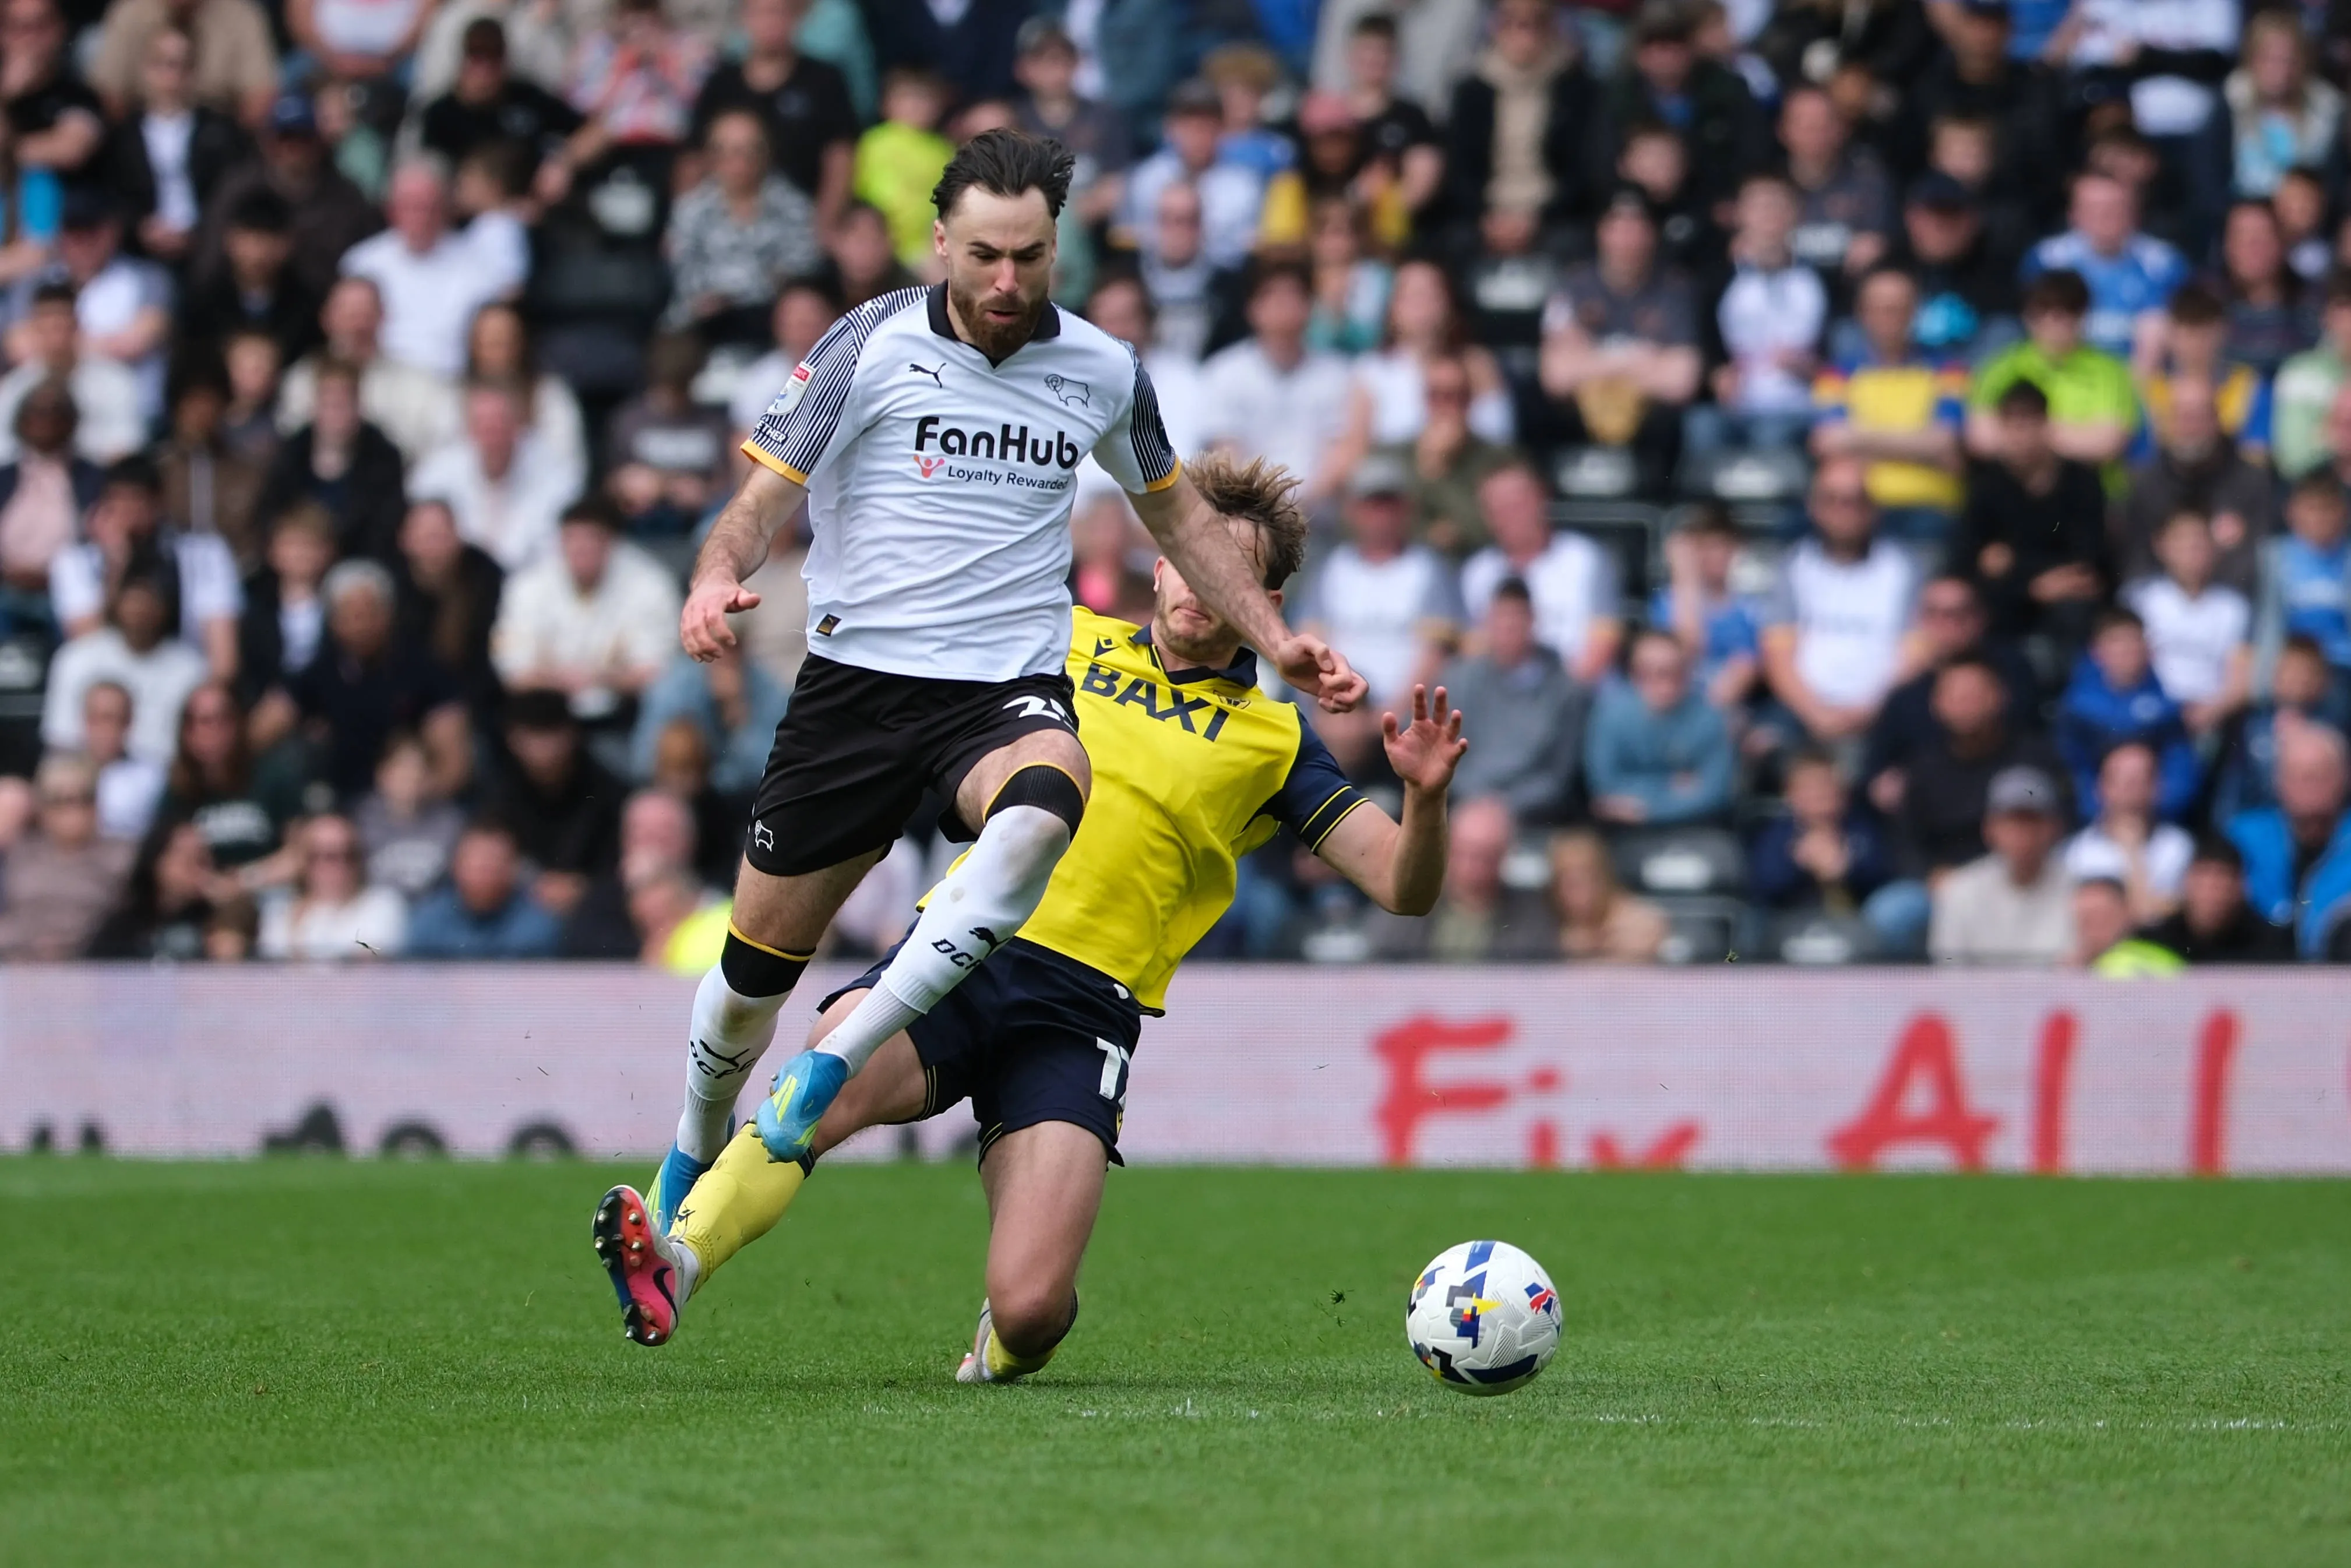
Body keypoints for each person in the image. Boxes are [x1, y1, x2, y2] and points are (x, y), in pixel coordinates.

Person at [632, 130, 1359, 1242]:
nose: (1008, 281)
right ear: (940, 244)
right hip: (857, 691)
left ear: (1057, 247)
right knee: (747, 984)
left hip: (999, 687)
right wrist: (712, 576)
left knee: (1047, 799)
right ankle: (691, 1144)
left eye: (1029, 256)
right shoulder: (868, 343)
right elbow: (759, 500)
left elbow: (1180, 520)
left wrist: (1277, 636)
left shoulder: (1104, 370)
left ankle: (840, 1054)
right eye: (985, 256)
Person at [598, 453, 1444, 1363]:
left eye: (1232, 575)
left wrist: (1426, 797)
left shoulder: (1275, 739)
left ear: (1265, 601)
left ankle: (1001, 1339)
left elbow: (1401, 885)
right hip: (959, 955)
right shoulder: (1060, 636)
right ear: (1162, 563)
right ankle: (678, 1262)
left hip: (1079, 1011)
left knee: (1031, 1308)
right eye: (1194, 561)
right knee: (814, 1086)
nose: (1202, 587)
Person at [1537, 186, 1701, 490]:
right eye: (1618, 227)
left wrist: (1592, 358)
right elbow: (1556, 376)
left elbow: (1682, 381)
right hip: (1582, 413)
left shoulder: (1675, 288)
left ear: (1652, 235)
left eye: (1637, 228)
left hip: (1650, 421)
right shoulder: (1573, 285)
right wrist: (1639, 358)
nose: (1627, 239)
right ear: (1602, 232)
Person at [273, 558, 469, 803]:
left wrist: (418, 795)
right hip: (338, 801)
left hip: (408, 803)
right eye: (350, 614)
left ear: (389, 613)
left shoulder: (426, 672)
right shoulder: (318, 672)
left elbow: (454, 766)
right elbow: (268, 723)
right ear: (333, 621)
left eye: (368, 613)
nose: (360, 624)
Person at [1760, 456, 1916, 747]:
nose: (1844, 511)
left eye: (1855, 500)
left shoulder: (1904, 568)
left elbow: (1916, 654)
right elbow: (1778, 654)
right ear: (1814, 507)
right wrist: (1816, 714)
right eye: (1832, 500)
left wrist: (1872, 711)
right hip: (1803, 715)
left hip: (1885, 715)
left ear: (1873, 508)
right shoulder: (1793, 566)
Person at [1810, 266, 1968, 537]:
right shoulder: (1836, 374)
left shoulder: (1950, 371)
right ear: (1862, 312)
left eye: (1899, 308)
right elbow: (1827, 441)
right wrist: (1921, 444)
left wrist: (1857, 437)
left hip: (1932, 506)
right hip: (1859, 509)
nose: (1890, 318)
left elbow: (1945, 441)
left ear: (1915, 311)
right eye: (1881, 308)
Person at [490, 495, 681, 716]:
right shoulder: (528, 585)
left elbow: (658, 671)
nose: (581, 549)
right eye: (572, 539)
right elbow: (514, 670)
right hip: (544, 709)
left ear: (613, 542)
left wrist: (599, 679)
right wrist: (562, 681)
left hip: (629, 709)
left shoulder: (652, 585)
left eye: (592, 539)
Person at [1295, 455, 1460, 709]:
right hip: (1338, 706)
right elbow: (1311, 643)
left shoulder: (1430, 569)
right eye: (1372, 506)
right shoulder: (1330, 569)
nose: (1381, 516)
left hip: (1408, 711)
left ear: (1407, 510)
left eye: (1389, 505)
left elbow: (1435, 655)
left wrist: (1391, 713)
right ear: (1352, 511)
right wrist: (1330, 705)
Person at [1954, 380, 2107, 647]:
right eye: (2013, 425)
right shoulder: (1986, 484)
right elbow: (1970, 559)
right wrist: (2032, 587)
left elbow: (2087, 554)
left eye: (2028, 424)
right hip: (2006, 602)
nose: (2020, 436)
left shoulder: (2081, 480)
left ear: (2046, 425)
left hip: (2068, 597)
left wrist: (2015, 568)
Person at [337, 161, 519, 382]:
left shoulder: (480, 268)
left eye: (429, 207)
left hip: (452, 385)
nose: (421, 217)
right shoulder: (361, 263)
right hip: (374, 383)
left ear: (447, 209)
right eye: (410, 206)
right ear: (390, 210)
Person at [687, 0, 856, 235]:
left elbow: (840, 156)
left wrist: (827, 223)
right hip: (725, 227)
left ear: (797, 18)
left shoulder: (825, 80)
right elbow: (693, 157)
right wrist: (687, 219)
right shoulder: (721, 83)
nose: (770, 22)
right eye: (760, 13)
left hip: (803, 224)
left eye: (779, 12)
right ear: (744, 19)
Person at [1691, 170, 1827, 455]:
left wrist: (1810, 367)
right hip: (1738, 404)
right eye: (1759, 206)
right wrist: (1717, 374)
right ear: (1739, 214)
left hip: (1798, 404)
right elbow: (1703, 345)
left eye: (1778, 206)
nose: (1769, 216)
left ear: (1797, 214)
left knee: (1772, 435)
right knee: (1701, 425)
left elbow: (1834, 355)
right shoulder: (1717, 280)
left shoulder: (1821, 280)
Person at [1196, 262, 1352, 505]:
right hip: (1248, 511)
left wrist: (1300, 506)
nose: (1284, 306)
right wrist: (1267, 511)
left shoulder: (1338, 375)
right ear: (1252, 308)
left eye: (1294, 295)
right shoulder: (1223, 372)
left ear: (1310, 306)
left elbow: (1341, 451)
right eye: (1272, 296)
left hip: (1320, 512)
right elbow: (1226, 455)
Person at [101, 20, 256, 267]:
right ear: (145, 68)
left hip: (210, 254)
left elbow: (233, 193)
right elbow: (114, 196)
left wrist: (200, 231)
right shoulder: (123, 137)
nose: (172, 75)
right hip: (139, 256)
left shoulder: (221, 132)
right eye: (163, 63)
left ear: (195, 71)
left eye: (183, 65)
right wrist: (141, 227)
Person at [661, 110, 822, 341]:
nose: (739, 162)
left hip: (771, 323)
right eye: (726, 151)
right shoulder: (690, 209)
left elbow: (801, 271)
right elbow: (684, 274)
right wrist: (746, 287)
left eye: (750, 150)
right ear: (710, 157)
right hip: (704, 324)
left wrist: (734, 293)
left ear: (767, 153)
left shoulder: (795, 206)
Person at [1460, 461, 1622, 687]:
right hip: (1502, 699)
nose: (1511, 516)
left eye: (1518, 504)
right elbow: (1473, 650)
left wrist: (1559, 700)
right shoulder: (1477, 572)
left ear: (1542, 499)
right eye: (1499, 508)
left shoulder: (1585, 558)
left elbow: (1603, 642)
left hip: (1579, 694)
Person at [1437, 579, 1584, 824]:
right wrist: (1478, 803)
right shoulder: (1459, 681)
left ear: (1533, 621)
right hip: (1466, 807)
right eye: (1500, 620)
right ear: (1487, 623)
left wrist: (1504, 807)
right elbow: (1445, 756)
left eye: (1515, 621)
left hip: (1533, 816)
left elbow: (1558, 774)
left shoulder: (1566, 690)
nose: (1507, 630)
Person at [2117, 372, 2274, 598]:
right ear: (2167, 423)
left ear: (2218, 420)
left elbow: (2261, 560)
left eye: (2199, 417)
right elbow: (2135, 564)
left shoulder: (2252, 481)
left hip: (2234, 601)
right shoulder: (2146, 484)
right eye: (2181, 417)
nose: (2190, 428)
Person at [276, 276, 457, 467]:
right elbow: (293, 443)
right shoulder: (302, 380)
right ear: (326, 319)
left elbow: (443, 442)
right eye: (350, 315)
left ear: (383, 316)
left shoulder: (419, 383)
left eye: (367, 314)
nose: (359, 326)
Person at [1967, 269, 2138, 469]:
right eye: (2044, 307)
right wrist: (2070, 433)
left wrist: (2026, 433)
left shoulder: (2110, 372)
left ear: (2085, 314)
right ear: (2027, 314)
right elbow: (1982, 439)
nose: (2056, 318)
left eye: (2070, 308)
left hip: (2089, 484)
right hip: (2012, 483)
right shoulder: (2001, 367)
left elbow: (2108, 444)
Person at [407, 379, 580, 571]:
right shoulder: (436, 472)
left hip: (530, 579)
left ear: (519, 426)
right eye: (483, 426)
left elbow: (554, 549)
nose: (492, 435)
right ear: (469, 429)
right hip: (458, 578)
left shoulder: (556, 475)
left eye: (500, 423)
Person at [40, 570, 209, 767]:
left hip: (169, 776)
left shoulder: (192, 668)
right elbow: (60, 743)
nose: (139, 610)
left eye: (148, 601)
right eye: (133, 601)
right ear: (116, 603)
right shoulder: (76, 657)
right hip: (87, 773)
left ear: (166, 608)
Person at [2021, 171, 2188, 364]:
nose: (2104, 217)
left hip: (2143, 372)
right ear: (2072, 214)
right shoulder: (2048, 260)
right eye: (2093, 209)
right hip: (2065, 367)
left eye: (2115, 208)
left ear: (2136, 213)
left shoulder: (2165, 263)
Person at [252, 357, 407, 563]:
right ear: (315, 407)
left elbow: (384, 531)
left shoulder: (383, 460)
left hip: (358, 562)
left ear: (359, 407)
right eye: (329, 404)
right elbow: (270, 517)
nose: (337, 415)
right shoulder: (289, 455)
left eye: (344, 405)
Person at [2056, 609, 2200, 824]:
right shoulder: (2077, 707)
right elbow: (2073, 767)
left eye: (2133, 641)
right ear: (2096, 651)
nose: (2126, 650)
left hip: (2157, 819)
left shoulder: (2167, 704)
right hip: (2094, 822)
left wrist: (2158, 810)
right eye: (2117, 642)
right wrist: (2100, 814)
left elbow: (2179, 764)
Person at [1584, 628, 1733, 827]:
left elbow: (1716, 791)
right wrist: (1670, 786)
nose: (1663, 682)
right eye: (1648, 672)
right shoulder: (1610, 715)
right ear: (1634, 674)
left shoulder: (1709, 717)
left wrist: (1647, 810)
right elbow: (1604, 784)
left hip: (1693, 826)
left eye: (1674, 672)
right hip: (1622, 830)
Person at [2226, 719, 2351, 956]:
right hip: (2253, 967)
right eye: (2297, 775)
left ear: (2345, 778)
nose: (2309, 784)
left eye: (2320, 774)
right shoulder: (2242, 840)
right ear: (2278, 781)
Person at [1928, 763, 2074, 966]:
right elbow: (1949, 971)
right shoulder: (1960, 891)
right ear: (1989, 828)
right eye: (2012, 822)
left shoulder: (2079, 890)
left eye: (2032, 821)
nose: (2023, 834)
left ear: (2055, 827)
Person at [2124, 510, 2252, 739]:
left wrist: (2212, 711)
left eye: (2199, 540)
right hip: (2149, 714)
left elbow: (2240, 677)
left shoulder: (2234, 607)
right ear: (2160, 546)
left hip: (2212, 719)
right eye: (2181, 540)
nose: (2192, 548)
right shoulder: (2139, 599)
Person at [0, 753, 132, 957]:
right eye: (60, 801)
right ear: (42, 808)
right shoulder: (20, 854)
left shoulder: (123, 857)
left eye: (84, 798)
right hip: (19, 962)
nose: (74, 811)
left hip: (97, 965)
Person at [0, 286, 144, 464]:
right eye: (46, 329)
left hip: (98, 477)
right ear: (33, 330)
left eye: (61, 328)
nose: (55, 339)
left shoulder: (114, 380)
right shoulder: (15, 387)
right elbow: (4, 453)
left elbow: (127, 446)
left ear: (77, 326)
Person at [629, 642, 789, 798]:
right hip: (670, 795)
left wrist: (737, 714)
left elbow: (770, 770)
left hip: (739, 798)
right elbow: (641, 760)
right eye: (717, 644)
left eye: (732, 645)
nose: (723, 655)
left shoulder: (767, 689)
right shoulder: (676, 683)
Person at [1748, 748, 1892, 919]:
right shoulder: (1778, 835)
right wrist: (1799, 863)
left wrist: (1847, 868)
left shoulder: (1860, 827)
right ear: (1790, 795)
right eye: (1810, 789)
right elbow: (1765, 885)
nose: (1820, 794)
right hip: (1795, 921)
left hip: (1860, 919)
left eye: (1826, 786)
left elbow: (1882, 871)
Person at [2064, 740, 2195, 926]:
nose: (2131, 789)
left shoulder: (2180, 848)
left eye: (2141, 779)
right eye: (2122, 780)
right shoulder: (2076, 852)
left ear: (2158, 787)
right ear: (2100, 787)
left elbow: (2158, 919)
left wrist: (2132, 852)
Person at [1652, 505, 1760, 713]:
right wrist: (1686, 581)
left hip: (1729, 709)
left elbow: (1744, 670)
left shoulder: (1750, 608)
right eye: (1704, 547)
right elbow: (1683, 653)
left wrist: (1706, 717)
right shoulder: (1666, 603)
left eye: (1722, 545)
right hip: (1676, 707)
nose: (1715, 555)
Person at [405, 816, 562, 958]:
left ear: (513, 868)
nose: (486, 871)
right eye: (478, 863)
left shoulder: (537, 925)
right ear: (456, 865)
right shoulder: (428, 921)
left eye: (494, 861)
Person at [257, 811, 406, 960]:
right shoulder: (280, 912)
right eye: (328, 856)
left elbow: (371, 957)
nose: (341, 865)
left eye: (350, 854)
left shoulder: (383, 904)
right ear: (305, 860)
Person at [2253, 472, 2351, 693]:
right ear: (2291, 512)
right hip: (2289, 669)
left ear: (2344, 513)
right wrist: (2263, 683)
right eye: (2311, 509)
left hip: (2341, 667)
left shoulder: (2347, 559)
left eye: (2326, 509)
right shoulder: (2274, 557)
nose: (2319, 518)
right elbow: (2268, 622)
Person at [2137, 836, 2298, 964]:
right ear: (2187, 883)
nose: (2212, 896)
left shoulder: (2270, 950)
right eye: (2203, 885)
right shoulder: (2153, 944)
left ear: (2241, 888)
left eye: (2221, 886)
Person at [84, 817, 217, 959]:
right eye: (185, 859)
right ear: (156, 860)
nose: (194, 869)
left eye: (201, 859)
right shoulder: (124, 926)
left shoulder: (216, 921)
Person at [355, 728, 463, 901]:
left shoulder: (452, 822)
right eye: (402, 768)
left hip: (433, 909)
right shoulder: (360, 820)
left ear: (431, 778)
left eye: (418, 770)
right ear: (382, 773)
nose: (411, 777)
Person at [1548, 825, 1668, 963]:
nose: (1576, 893)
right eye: (1565, 881)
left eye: (1584, 879)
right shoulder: (1546, 921)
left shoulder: (1641, 922)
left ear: (1603, 877)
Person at [2273, 272, 2351, 481]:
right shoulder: (2299, 374)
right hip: (2317, 488)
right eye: (2345, 307)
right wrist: (2336, 440)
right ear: (2327, 316)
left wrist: (2326, 434)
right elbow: (2294, 459)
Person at [74, 679, 165, 841]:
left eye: (111, 719)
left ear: (129, 722)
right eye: (95, 718)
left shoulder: (153, 779)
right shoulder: (58, 775)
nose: (103, 729)